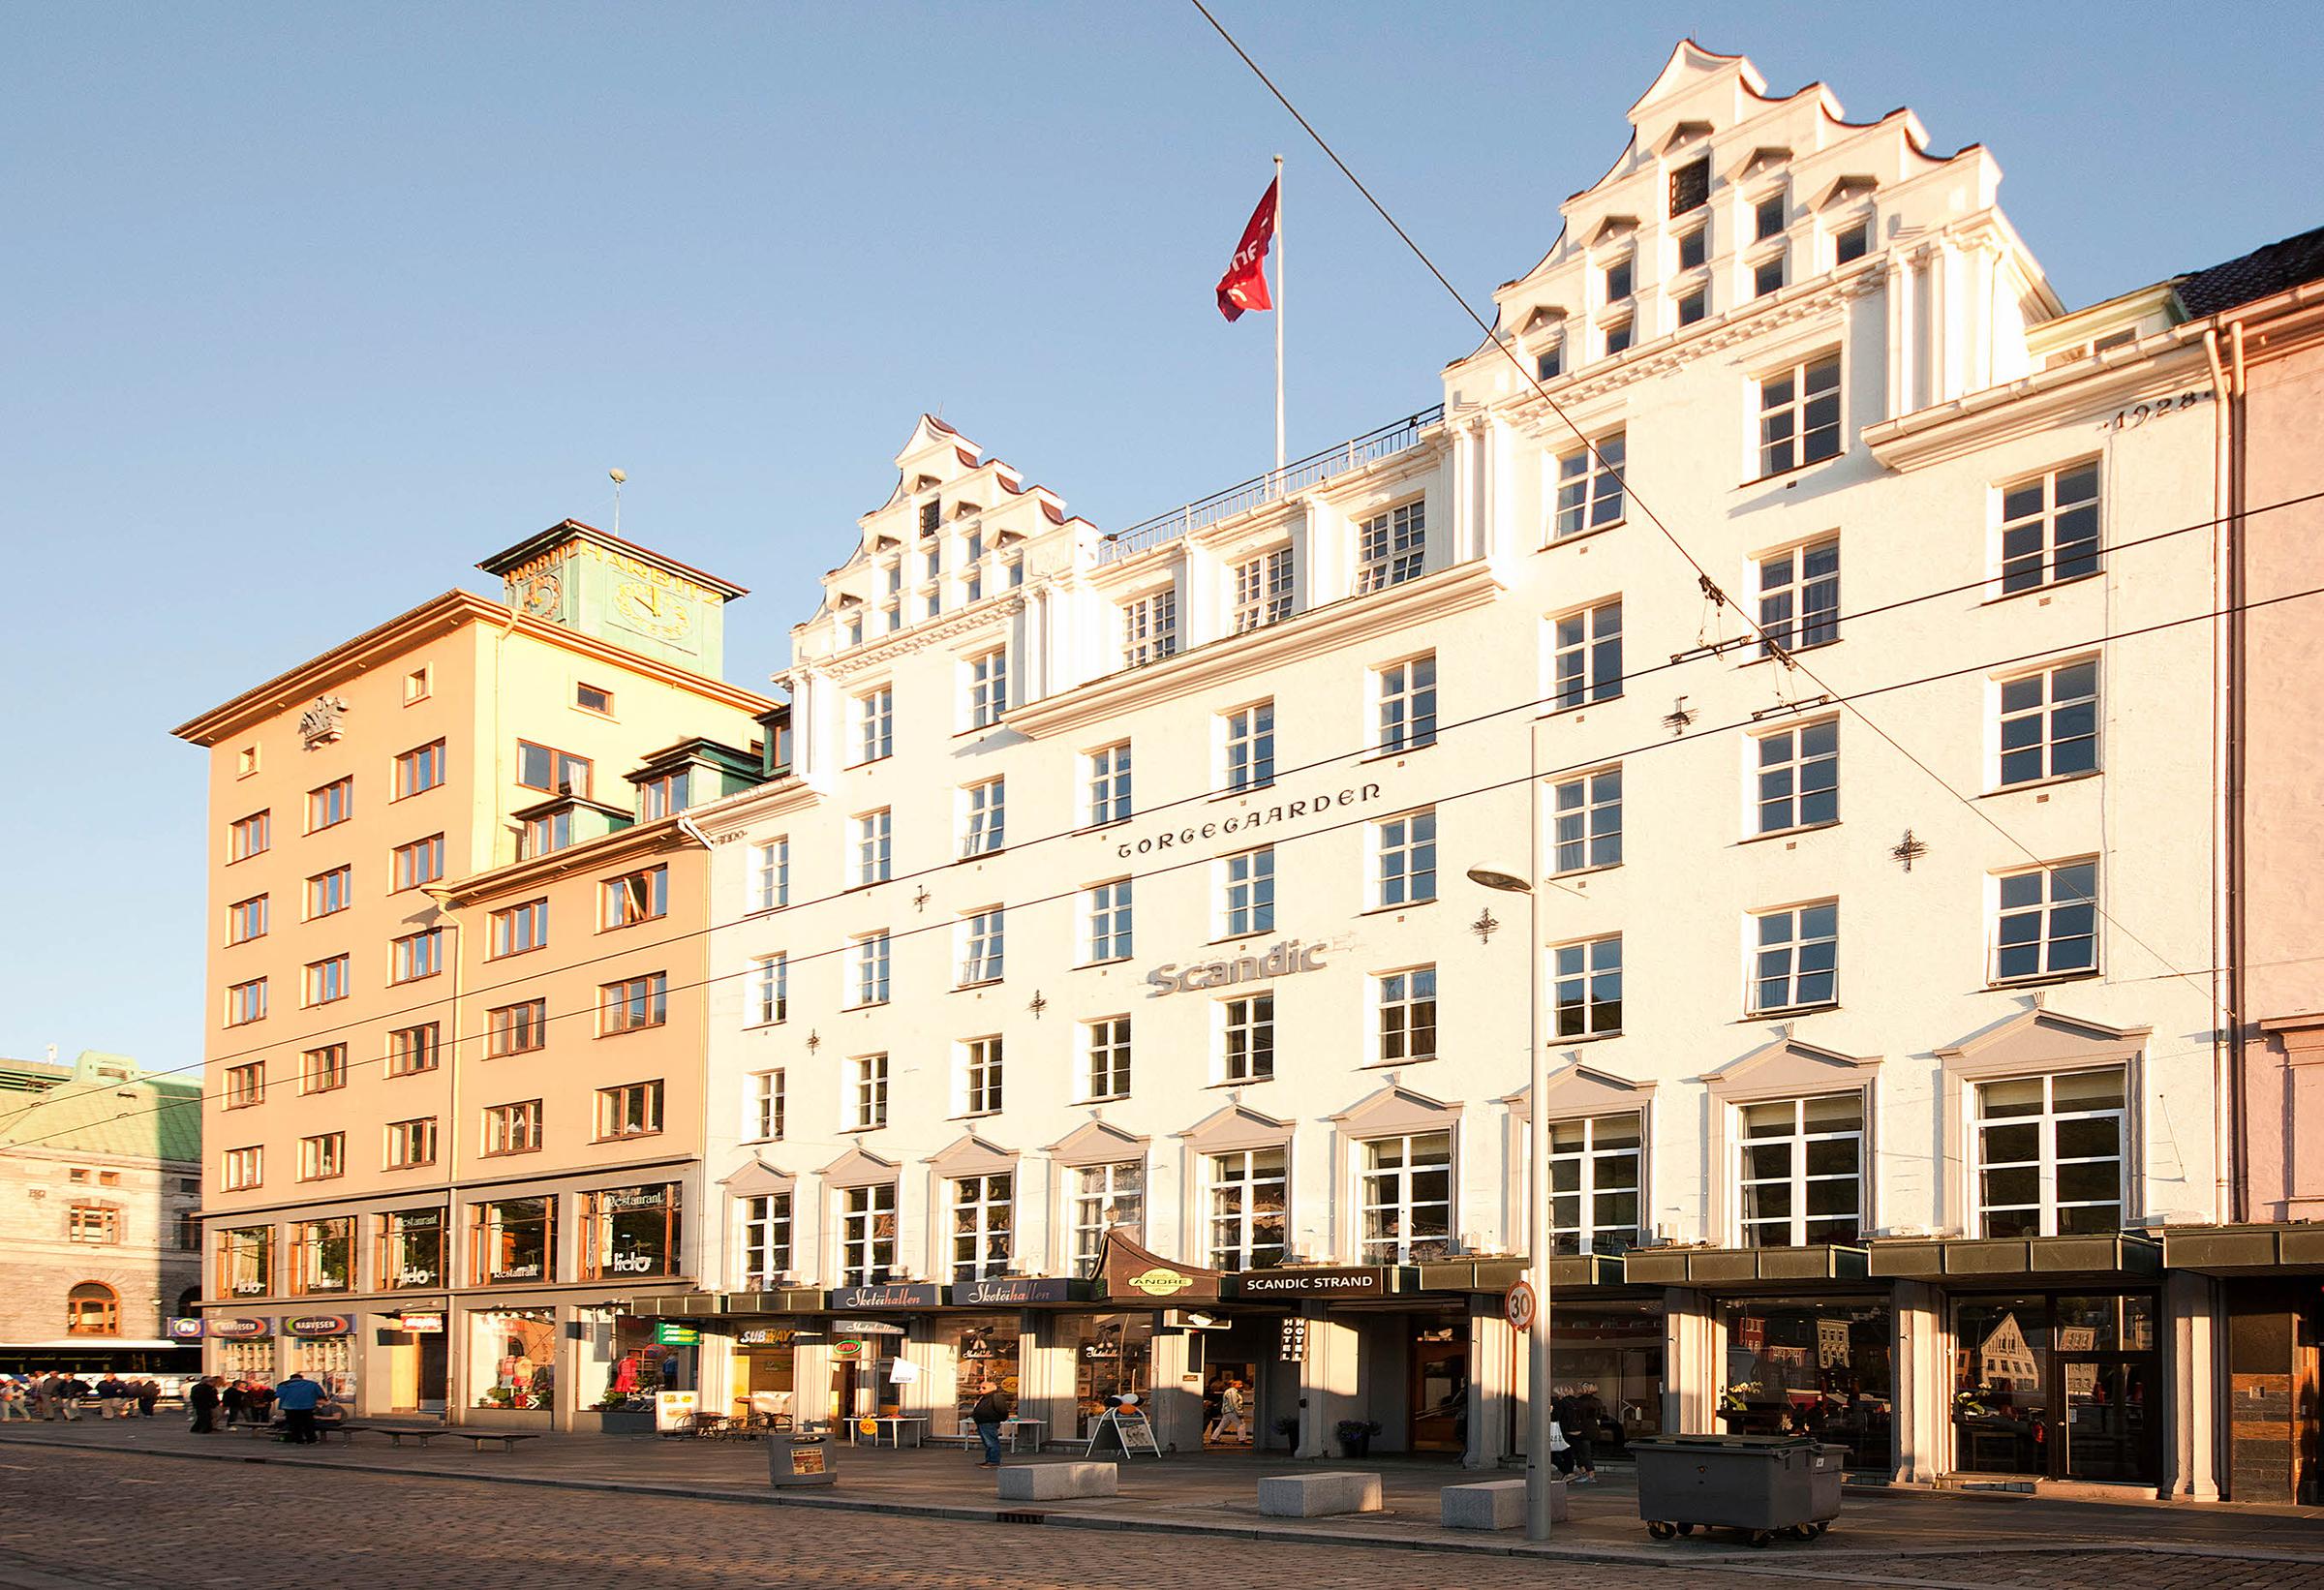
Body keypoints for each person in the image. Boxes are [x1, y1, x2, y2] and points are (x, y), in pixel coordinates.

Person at [968, 1386, 1017, 1468]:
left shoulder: (995, 1397)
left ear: (991, 1388)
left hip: (989, 1422)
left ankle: (994, 1461)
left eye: (984, 1387)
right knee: (987, 1443)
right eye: (979, 1388)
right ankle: (989, 1460)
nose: (980, 1389)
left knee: (991, 1442)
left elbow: (1002, 1409)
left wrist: (1000, 1419)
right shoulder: (984, 1398)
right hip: (982, 1422)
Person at [272, 1373, 324, 1444]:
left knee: (294, 1424)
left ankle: (298, 1440)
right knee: (308, 1424)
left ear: (291, 1378)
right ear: (301, 1378)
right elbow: (321, 1394)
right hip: (307, 1407)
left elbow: (278, 1395)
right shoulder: (312, 1384)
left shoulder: (283, 1385)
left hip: (289, 1407)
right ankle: (311, 1440)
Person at [1213, 1378, 1249, 1446]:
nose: (1241, 1386)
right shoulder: (1232, 1392)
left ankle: (1214, 1438)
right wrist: (1239, 1412)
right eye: (1239, 1384)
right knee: (1241, 1424)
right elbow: (1233, 1403)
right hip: (1232, 1411)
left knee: (1222, 1425)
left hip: (1228, 1411)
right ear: (1234, 1385)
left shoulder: (1231, 1391)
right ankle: (1242, 1439)